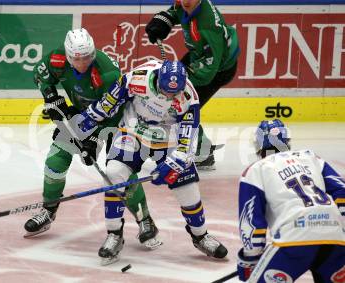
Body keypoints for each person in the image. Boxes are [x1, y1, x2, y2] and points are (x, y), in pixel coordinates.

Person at [78, 59, 228, 265]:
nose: (169, 96)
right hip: (133, 130)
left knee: (189, 189)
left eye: (174, 93)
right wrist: (88, 120)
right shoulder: (136, 78)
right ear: (158, 80)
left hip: (169, 138)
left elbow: (187, 144)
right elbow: (109, 102)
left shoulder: (188, 98)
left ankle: (201, 236)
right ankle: (114, 234)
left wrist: (172, 165)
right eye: (166, 91)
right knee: (113, 174)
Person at [25, 28, 160, 251]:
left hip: (116, 119)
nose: (82, 62)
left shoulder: (106, 73)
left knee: (119, 171)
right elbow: (40, 76)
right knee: (55, 161)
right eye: (77, 59)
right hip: (82, 114)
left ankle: (144, 218)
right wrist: (51, 97)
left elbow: (111, 109)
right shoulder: (57, 58)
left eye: (87, 57)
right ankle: (48, 210)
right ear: (68, 56)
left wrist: (91, 141)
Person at [237, 119, 345, 282]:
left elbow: (251, 224)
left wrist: (250, 261)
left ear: (258, 144)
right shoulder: (311, 157)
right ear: (287, 141)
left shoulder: (255, 169)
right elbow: (341, 191)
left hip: (294, 237)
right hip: (335, 236)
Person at [145, 0, 240, 170]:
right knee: (174, 100)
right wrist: (164, 20)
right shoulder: (185, 4)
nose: (185, 1)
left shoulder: (208, 25)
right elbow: (175, 11)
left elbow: (209, 69)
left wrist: (178, 79)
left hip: (217, 71)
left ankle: (202, 152)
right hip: (197, 56)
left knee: (181, 105)